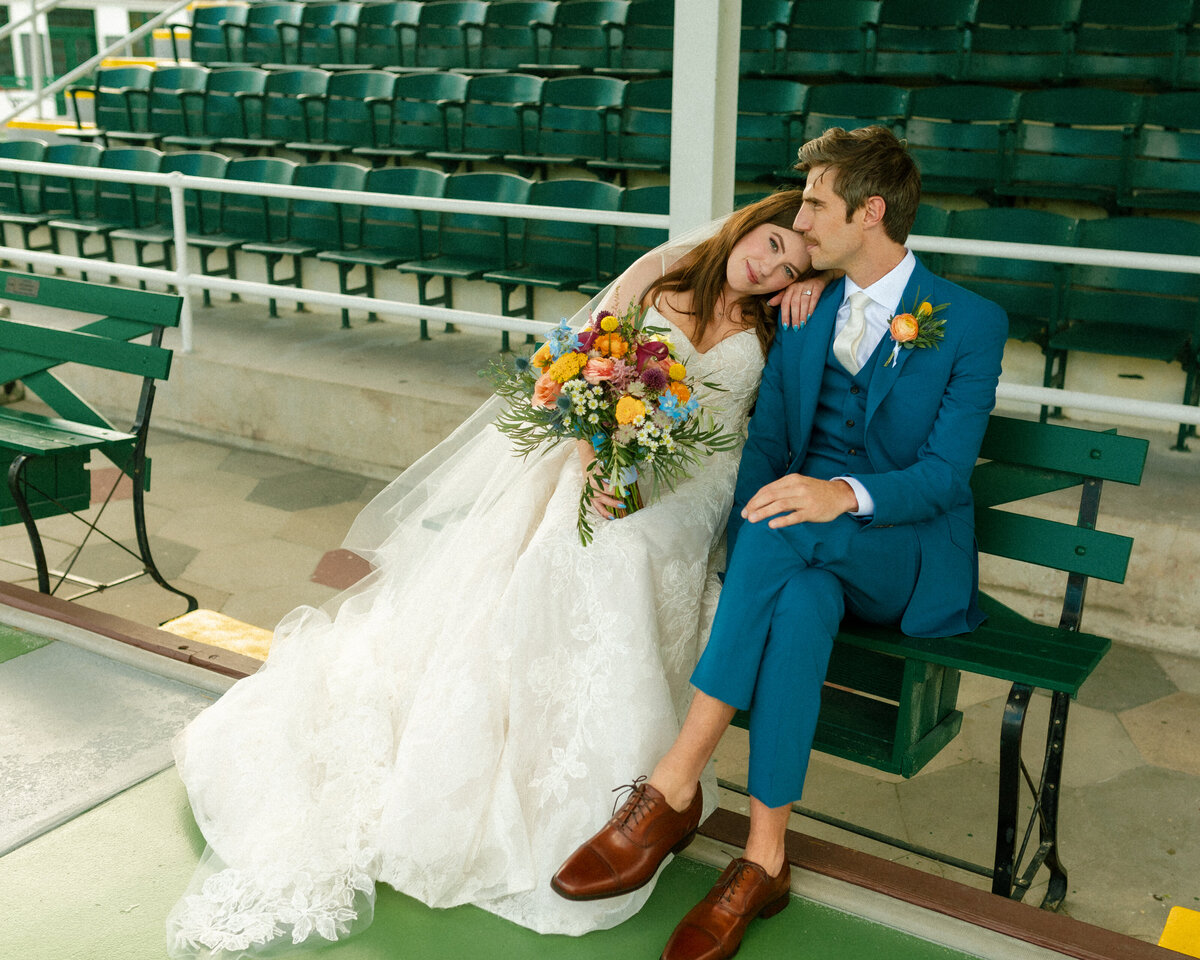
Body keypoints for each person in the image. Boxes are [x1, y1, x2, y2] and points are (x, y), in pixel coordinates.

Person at [165, 191, 829, 957]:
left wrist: (811, 289)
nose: (772, 263)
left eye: (791, 264)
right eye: (774, 242)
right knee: (574, 543)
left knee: (628, 551)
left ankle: (631, 804)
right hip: (608, 464)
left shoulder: (780, 320)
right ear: (750, 223)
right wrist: (598, 458)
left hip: (698, 484)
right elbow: (574, 371)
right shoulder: (658, 276)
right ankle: (554, 777)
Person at [552, 126, 1009, 960]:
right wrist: (751, 521)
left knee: (784, 526)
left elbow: (945, 476)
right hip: (805, 550)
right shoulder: (804, 308)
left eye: (816, 205)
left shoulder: (971, 322)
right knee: (794, 593)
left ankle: (672, 785)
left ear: (870, 214)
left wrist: (840, 493)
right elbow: (764, 445)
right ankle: (763, 859)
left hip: (901, 550)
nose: (801, 221)